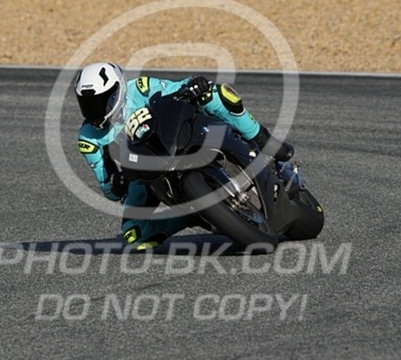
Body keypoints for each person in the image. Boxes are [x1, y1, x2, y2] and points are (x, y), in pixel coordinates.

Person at [75, 62, 294, 251]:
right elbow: (108, 189)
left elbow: (177, 87)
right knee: (135, 234)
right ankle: (192, 215)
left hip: (176, 135)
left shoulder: (140, 88)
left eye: (102, 101)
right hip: (144, 171)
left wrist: (193, 85)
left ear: (119, 89)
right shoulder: (89, 139)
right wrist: (116, 184)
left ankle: (261, 137)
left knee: (213, 93)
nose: (95, 111)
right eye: (87, 105)